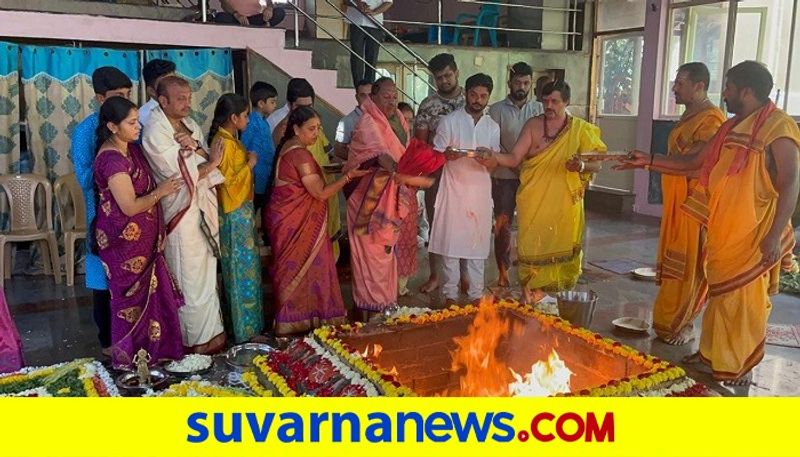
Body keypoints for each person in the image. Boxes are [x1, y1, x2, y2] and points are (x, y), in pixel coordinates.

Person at [624, 61, 800, 386]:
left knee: (742, 302)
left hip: (754, 232)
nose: (725, 94)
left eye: (730, 88)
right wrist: (648, 161)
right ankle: (711, 355)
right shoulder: (731, 128)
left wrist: (775, 236)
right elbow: (695, 163)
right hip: (724, 228)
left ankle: (737, 365)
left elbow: (790, 184)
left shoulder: (779, 126)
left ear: (746, 91)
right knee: (721, 297)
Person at [615, 62, 725, 345]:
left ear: (700, 86)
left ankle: (683, 322)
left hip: (694, 203)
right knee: (674, 259)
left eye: (681, 83)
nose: (674, 88)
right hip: (677, 200)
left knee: (689, 263)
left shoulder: (712, 119)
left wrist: (649, 161)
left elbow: (695, 164)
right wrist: (645, 163)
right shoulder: (691, 115)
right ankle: (671, 320)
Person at [489, 81, 607, 303]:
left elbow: (596, 165)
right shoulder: (533, 126)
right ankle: (528, 292)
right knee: (531, 243)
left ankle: (547, 294)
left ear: (566, 102)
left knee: (559, 242)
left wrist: (580, 166)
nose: (549, 106)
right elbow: (514, 158)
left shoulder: (581, 129)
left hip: (564, 201)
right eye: (545, 101)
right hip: (534, 198)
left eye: (555, 101)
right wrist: (493, 157)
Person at [92, 96, 185, 368]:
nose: (138, 127)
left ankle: (155, 353)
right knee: (128, 304)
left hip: (143, 242)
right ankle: (131, 361)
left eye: (138, 122)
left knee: (152, 296)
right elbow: (130, 206)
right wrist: (161, 192)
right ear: (112, 126)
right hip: (123, 244)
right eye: (131, 123)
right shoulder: (112, 160)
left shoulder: (129, 149)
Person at [141, 76, 226, 354]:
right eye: (180, 98)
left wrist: (198, 151)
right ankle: (193, 342)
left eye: (189, 97)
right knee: (188, 277)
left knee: (206, 274)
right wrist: (209, 161)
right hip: (181, 211)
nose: (187, 103)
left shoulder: (190, 124)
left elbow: (200, 155)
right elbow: (178, 175)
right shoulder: (155, 130)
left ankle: (213, 335)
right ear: (162, 101)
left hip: (199, 207)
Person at [266, 107, 369, 335]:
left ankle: (299, 320)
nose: (316, 133)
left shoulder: (290, 148)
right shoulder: (299, 154)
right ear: (296, 129)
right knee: (300, 268)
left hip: (288, 221)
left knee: (299, 270)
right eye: (311, 129)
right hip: (295, 223)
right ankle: (300, 319)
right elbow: (320, 193)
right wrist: (348, 176)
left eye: (319, 129)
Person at [344, 77, 433, 316]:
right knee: (371, 252)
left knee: (386, 251)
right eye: (386, 96)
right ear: (373, 97)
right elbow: (381, 155)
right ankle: (369, 307)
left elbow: (404, 151)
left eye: (395, 96)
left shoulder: (399, 119)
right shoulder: (367, 122)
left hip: (391, 195)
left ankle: (386, 303)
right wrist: (401, 172)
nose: (392, 101)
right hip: (369, 199)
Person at [70, 66, 133, 356]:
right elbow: (83, 177)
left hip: (132, 215)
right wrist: (109, 161)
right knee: (102, 282)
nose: (125, 101)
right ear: (99, 98)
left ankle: (135, 337)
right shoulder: (85, 131)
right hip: (102, 216)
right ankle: (108, 344)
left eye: (129, 95)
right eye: (118, 96)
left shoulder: (133, 125)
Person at [428, 73, 500, 305]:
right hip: (453, 192)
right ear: (466, 93)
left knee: (477, 246)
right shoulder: (449, 121)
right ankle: (449, 295)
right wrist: (446, 155)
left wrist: (487, 159)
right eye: (473, 94)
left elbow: (494, 161)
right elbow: (435, 156)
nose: (478, 100)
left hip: (479, 193)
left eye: (483, 96)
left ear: (488, 97)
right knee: (451, 245)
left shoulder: (492, 127)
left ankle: (476, 295)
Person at [209, 93, 264, 344]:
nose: (248, 120)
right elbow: (228, 182)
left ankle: (241, 326)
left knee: (241, 270)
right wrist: (250, 164)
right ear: (234, 118)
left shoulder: (227, 139)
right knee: (242, 272)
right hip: (235, 213)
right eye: (245, 115)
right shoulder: (226, 143)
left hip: (238, 212)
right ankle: (246, 330)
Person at [271, 80, 343, 261]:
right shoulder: (278, 127)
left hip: (322, 196)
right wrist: (348, 176)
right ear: (290, 105)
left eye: (309, 106)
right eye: (300, 108)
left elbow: (328, 152)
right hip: (296, 205)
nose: (306, 112)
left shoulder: (314, 125)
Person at [488, 62, 543, 287]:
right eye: (517, 82)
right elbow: (495, 144)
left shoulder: (539, 109)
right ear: (509, 83)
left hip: (533, 178)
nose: (522, 86)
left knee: (533, 224)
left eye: (526, 83)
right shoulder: (496, 110)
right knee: (503, 226)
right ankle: (503, 272)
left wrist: (527, 169)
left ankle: (533, 271)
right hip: (504, 177)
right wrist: (514, 166)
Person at [415, 53, 465, 294]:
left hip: (467, 175)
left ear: (456, 73)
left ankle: (465, 275)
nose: (444, 81)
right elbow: (421, 144)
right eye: (439, 78)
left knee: (466, 224)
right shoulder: (427, 105)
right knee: (437, 225)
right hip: (437, 173)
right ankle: (435, 274)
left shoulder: (472, 99)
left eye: (448, 75)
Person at [241, 81, 278, 213]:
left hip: (266, 171)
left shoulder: (264, 122)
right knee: (256, 205)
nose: (275, 105)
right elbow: (244, 146)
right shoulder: (251, 122)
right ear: (261, 103)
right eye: (272, 102)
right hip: (257, 173)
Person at [345, 0, 394, 86]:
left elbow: (388, 2)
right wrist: (357, 3)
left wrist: (374, 12)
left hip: (374, 23)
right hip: (356, 21)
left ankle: (369, 85)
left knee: (372, 57)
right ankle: (358, 85)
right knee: (356, 56)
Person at [334, 79, 373, 161]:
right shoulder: (346, 122)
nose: (367, 99)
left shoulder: (381, 118)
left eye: (370, 95)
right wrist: (360, 160)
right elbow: (338, 150)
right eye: (363, 95)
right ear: (357, 97)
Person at [139, 59, 176, 126]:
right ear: (151, 91)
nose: (175, 88)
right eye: (166, 84)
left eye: (175, 82)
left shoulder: (180, 106)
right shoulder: (145, 115)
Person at [213, 0, 286, 28]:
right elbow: (224, 4)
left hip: (255, 19)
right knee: (220, 17)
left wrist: (269, 8)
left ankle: (264, 27)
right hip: (236, 19)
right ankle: (258, 28)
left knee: (279, 12)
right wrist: (237, 15)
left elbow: (269, 2)